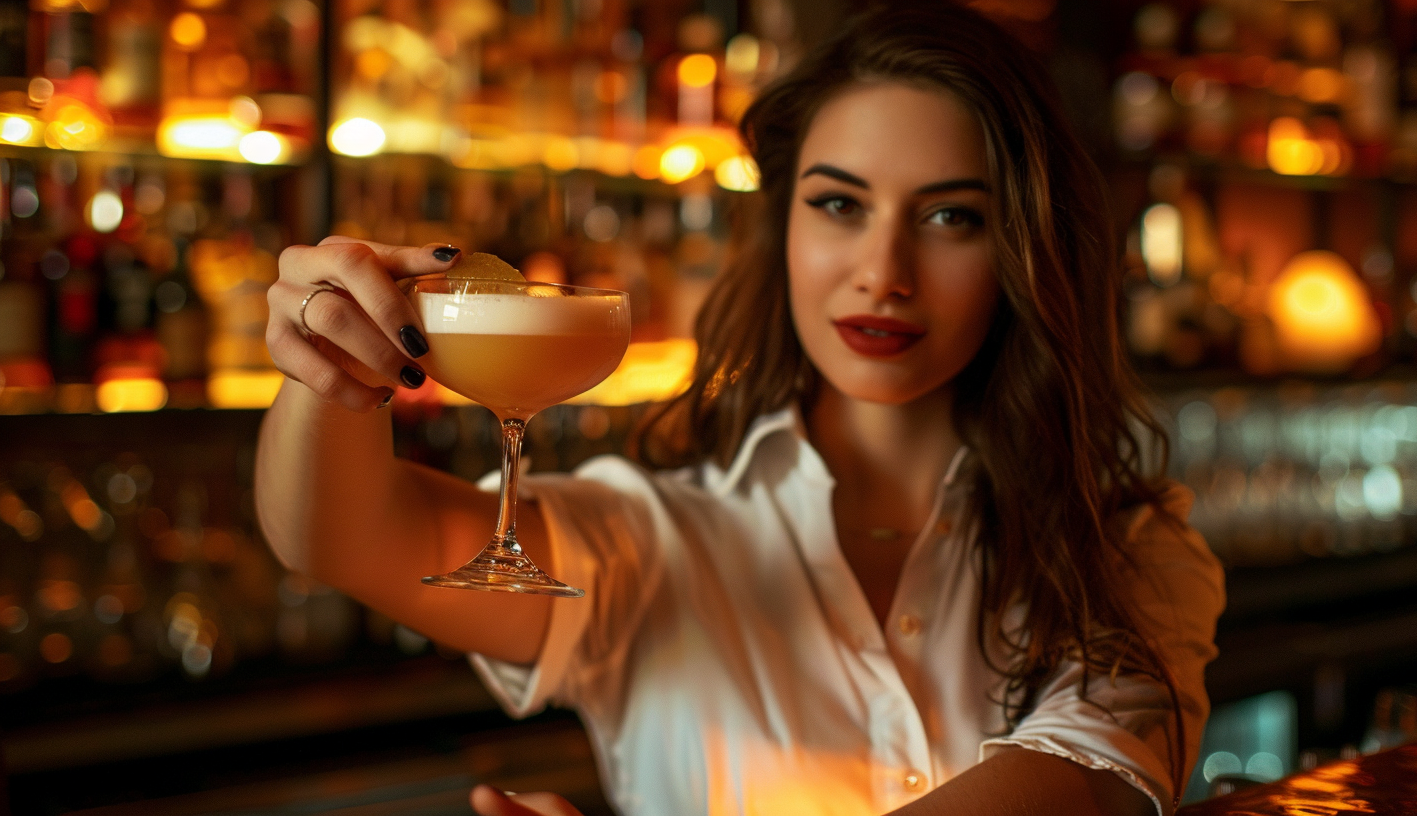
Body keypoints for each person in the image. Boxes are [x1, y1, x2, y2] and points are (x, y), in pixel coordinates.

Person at [254, 3, 1224, 815]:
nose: (881, 274)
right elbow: (341, 536)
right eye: (838, 205)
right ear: (783, 230)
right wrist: (326, 365)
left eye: (947, 217)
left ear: (1025, 247)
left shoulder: (1126, 550)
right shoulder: (658, 533)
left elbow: (1080, 791)